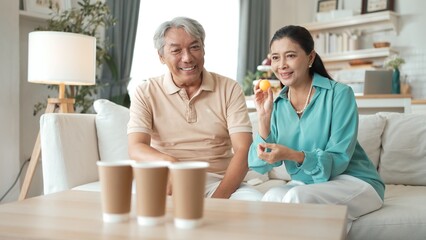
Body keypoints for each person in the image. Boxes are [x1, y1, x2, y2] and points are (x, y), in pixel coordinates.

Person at [248, 25, 385, 231]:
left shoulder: (339, 94)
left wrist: (295, 155)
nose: (282, 65)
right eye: (275, 58)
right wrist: (264, 118)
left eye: (290, 56)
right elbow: (259, 166)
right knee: (270, 197)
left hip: (355, 181)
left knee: (295, 196)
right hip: (310, 184)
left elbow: (338, 159)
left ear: (310, 58)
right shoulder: (278, 104)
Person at [128, 16, 262, 201]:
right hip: (168, 179)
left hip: (219, 181)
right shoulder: (146, 92)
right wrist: (170, 162)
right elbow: (136, 147)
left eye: (194, 47)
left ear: (203, 49)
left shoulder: (229, 88)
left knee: (254, 202)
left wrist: (219, 197)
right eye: (176, 50)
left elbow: (243, 148)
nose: (187, 57)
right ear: (161, 57)